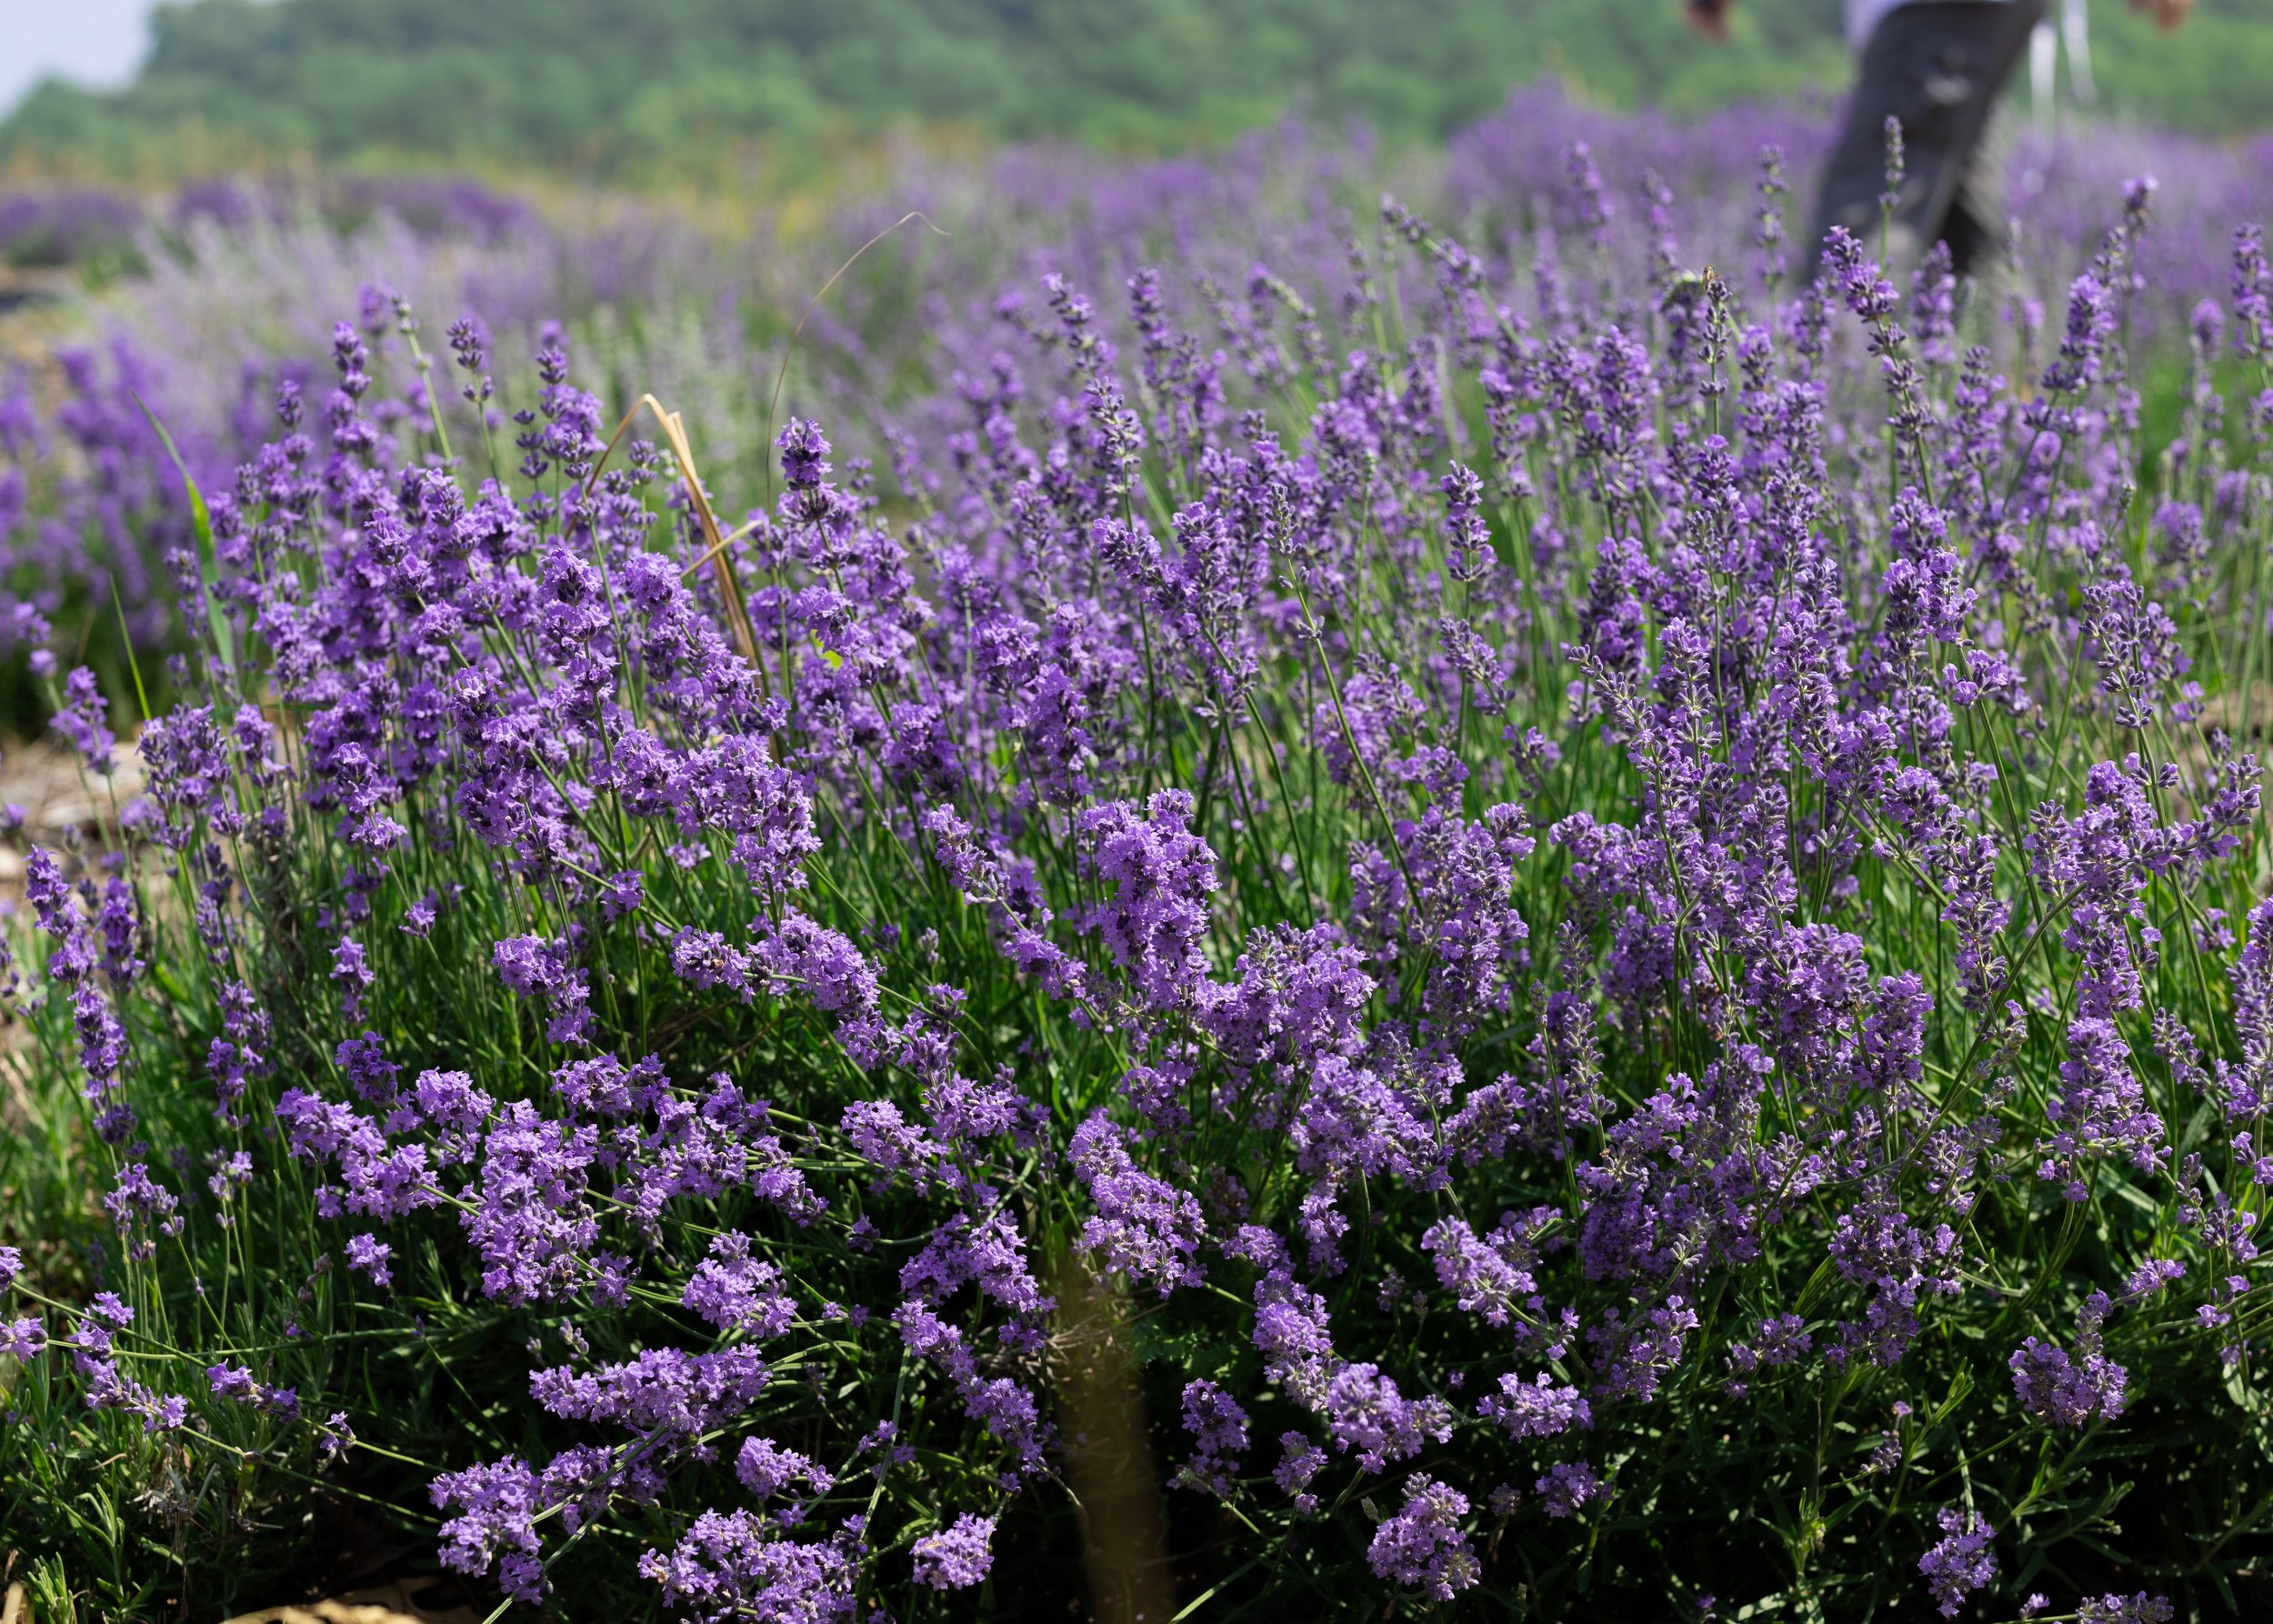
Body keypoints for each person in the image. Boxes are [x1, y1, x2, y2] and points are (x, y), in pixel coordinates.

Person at [1684, 0, 2195, 282]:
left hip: (1935, 10)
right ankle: (1998, 425)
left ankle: (1821, 424)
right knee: (1963, 233)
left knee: (1865, 218)